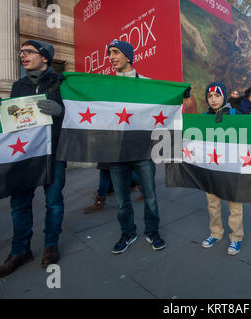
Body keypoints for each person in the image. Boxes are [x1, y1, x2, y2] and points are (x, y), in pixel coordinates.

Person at [0, 40, 66, 279]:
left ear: (45, 58)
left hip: (55, 151)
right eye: (20, 51)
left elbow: (76, 114)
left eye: (28, 51)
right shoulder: (17, 86)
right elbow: (10, 118)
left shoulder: (61, 83)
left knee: (54, 202)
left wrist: (61, 110)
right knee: (19, 204)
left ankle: (51, 245)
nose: (22, 55)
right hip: (24, 155)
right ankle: (19, 251)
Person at [105, 40, 166, 253]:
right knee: (122, 200)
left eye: (115, 52)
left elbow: (164, 101)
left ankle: (152, 231)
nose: (111, 57)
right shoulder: (105, 87)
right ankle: (128, 233)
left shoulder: (147, 83)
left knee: (150, 195)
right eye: (109, 53)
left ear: (128, 56)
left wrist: (180, 95)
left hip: (142, 149)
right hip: (116, 150)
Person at [201, 81, 244, 255]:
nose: (213, 99)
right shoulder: (204, 116)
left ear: (224, 96)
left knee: (234, 204)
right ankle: (216, 233)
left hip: (231, 167)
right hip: (210, 167)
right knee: (212, 203)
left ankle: (236, 237)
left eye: (217, 95)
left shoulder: (236, 114)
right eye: (210, 96)